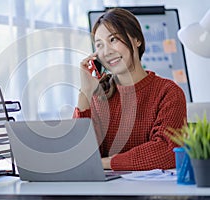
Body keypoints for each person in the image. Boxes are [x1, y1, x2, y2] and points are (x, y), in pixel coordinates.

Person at [73, 8, 187, 171]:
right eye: (99, 45)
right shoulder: (99, 97)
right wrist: (85, 93)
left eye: (113, 40)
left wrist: (106, 163)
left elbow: (166, 151)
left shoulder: (168, 93)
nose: (106, 51)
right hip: (106, 193)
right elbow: (78, 155)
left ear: (136, 39)